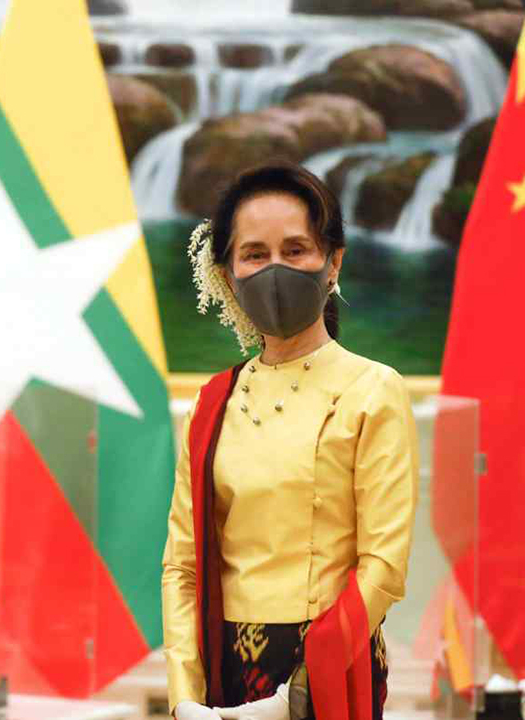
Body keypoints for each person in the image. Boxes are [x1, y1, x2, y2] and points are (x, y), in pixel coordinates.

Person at [162, 163, 418, 720]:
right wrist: (184, 697)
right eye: (255, 254)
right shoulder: (212, 404)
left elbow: (383, 565)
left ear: (333, 262)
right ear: (228, 274)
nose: (275, 269)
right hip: (226, 669)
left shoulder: (373, 389)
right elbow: (182, 569)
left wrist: (298, 692)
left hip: (333, 669)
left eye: (296, 249)